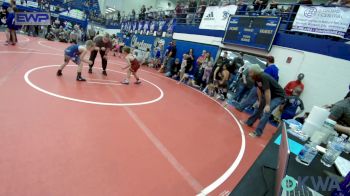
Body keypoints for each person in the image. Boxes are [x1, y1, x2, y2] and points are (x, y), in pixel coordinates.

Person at [242, 64, 286, 138]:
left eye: (250, 72)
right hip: (270, 95)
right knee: (258, 108)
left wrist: (268, 105)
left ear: (255, 72)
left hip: (278, 96)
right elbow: (259, 89)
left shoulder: (264, 77)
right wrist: (259, 101)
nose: (249, 74)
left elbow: (267, 91)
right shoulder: (256, 78)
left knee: (266, 111)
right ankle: (249, 122)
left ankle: (258, 132)